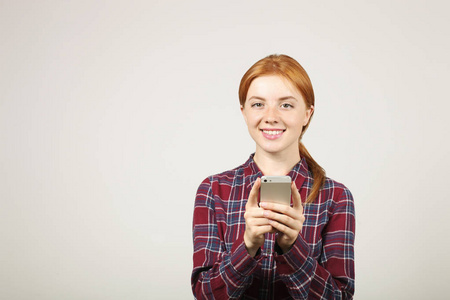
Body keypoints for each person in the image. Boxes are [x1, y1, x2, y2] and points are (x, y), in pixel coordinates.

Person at [191, 54, 355, 299]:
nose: (270, 116)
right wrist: (247, 246)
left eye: (286, 105)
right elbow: (205, 294)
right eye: (258, 104)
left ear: (307, 114)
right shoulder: (214, 190)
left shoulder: (335, 197)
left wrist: (292, 249)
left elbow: (340, 297)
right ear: (244, 112)